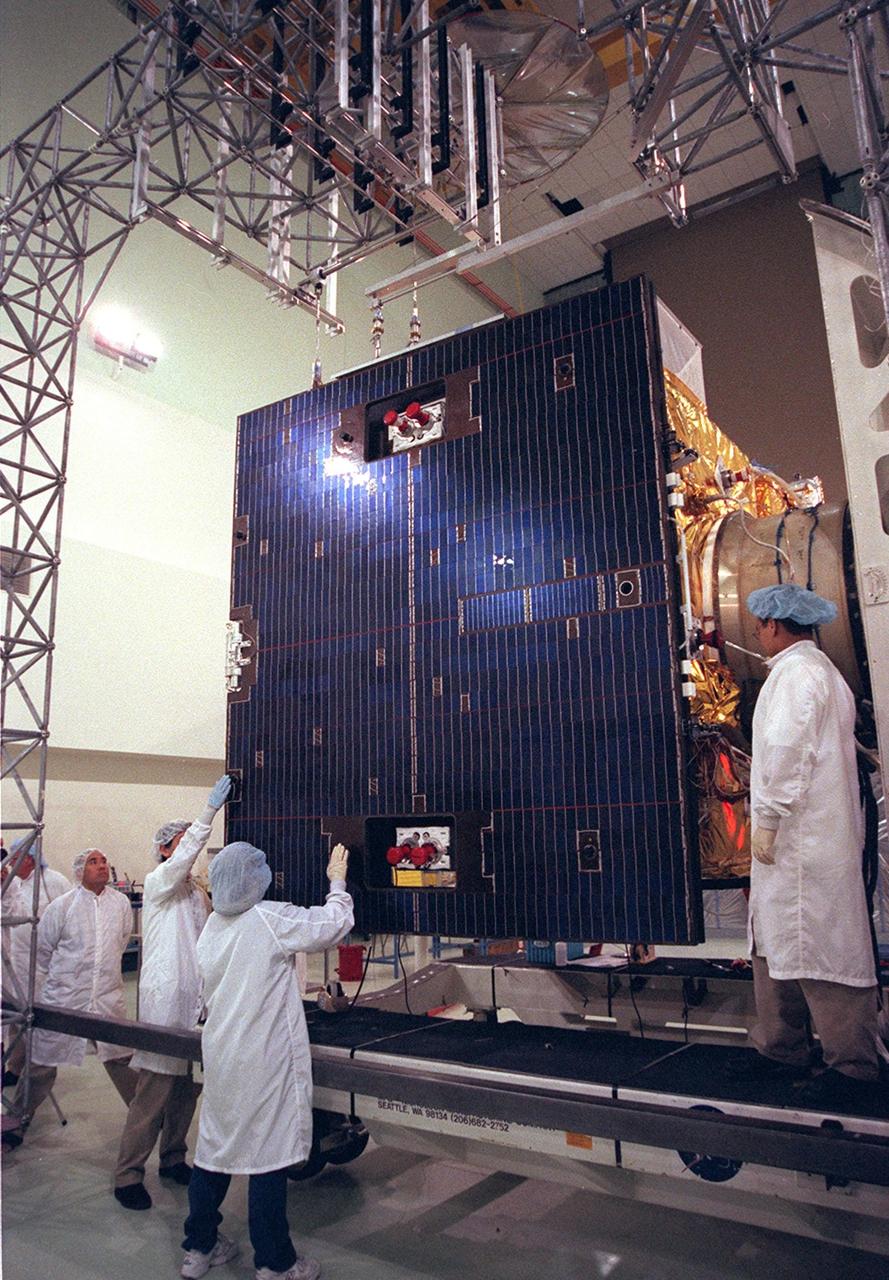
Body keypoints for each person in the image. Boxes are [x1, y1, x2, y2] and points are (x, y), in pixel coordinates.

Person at [180, 840, 353, 1280]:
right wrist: (337, 880)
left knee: (215, 1151)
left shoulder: (213, 927)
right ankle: (277, 1262)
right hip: (264, 1058)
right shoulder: (270, 918)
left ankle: (199, 1248)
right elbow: (334, 924)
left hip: (221, 1054)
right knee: (267, 1157)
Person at [739, 582, 883, 1105]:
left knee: (818, 947)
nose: (757, 632)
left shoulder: (799, 676)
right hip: (806, 847)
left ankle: (852, 1065)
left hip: (804, 844)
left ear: (775, 625)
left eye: (760, 624)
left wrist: (770, 818)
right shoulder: (820, 673)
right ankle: (783, 1050)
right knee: (781, 944)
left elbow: (785, 749)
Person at [113, 775, 233, 1211]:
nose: (190, 849)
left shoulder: (195, 894)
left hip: (195, 1006)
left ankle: (173, 1157)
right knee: (154, 1092)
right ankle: (128, 1174)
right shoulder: (161, 881)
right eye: (180, 843)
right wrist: (208, 813)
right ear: (165, 849)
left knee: (187, 1090)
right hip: (166, 1005)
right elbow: (186, 856)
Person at [11, 849, 138, 1124]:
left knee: (120, 1059)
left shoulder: (121, 904)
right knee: (42, 1063)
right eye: (94, 862)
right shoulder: (63, 906)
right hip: (65, 997)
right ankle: (17, 1121)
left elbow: (122, 941)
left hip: (107, 996)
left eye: (104, 861)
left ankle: (148, 1118)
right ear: (80, 871)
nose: (102, 866)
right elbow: (44, 949)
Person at [2, 837, 72, 1085]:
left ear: (29, 857)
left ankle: (37, 1069)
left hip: (43, 964)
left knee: (39, 1019)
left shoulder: (54, 881)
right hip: (13, 962)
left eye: (15, 855)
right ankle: (15, 1067)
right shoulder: (11, 883)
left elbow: (68, 920)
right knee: (14, 1017)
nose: (10, 861)